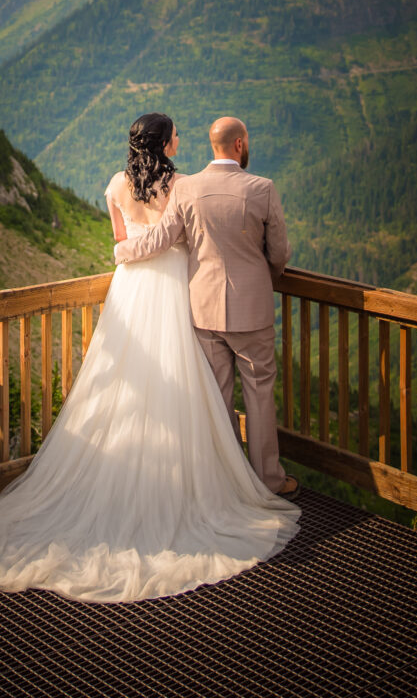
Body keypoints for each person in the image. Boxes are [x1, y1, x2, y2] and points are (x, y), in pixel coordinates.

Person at [0, 113, 300, 603]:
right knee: (201, 393)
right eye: (175, 134)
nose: (179, 139)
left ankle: (189, 477)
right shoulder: (194, 185)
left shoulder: (126, 184)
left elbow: (126, 240)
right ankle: (240, 481)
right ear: (166, 142)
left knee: (159, 387)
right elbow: (209, 243)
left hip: (140, 292)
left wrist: (125, 256)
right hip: (185, 293)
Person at [115, 115, 298, 498]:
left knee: (218, 398)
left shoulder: (188, 189)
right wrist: (268, 277)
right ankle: (269, 480)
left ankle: (229, 479)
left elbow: (161, 239)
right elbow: (279, 253)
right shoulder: (262, 188)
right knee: (259, 394)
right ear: (239, 145)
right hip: (252, 311)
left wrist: (122, 251)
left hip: (202, 309)